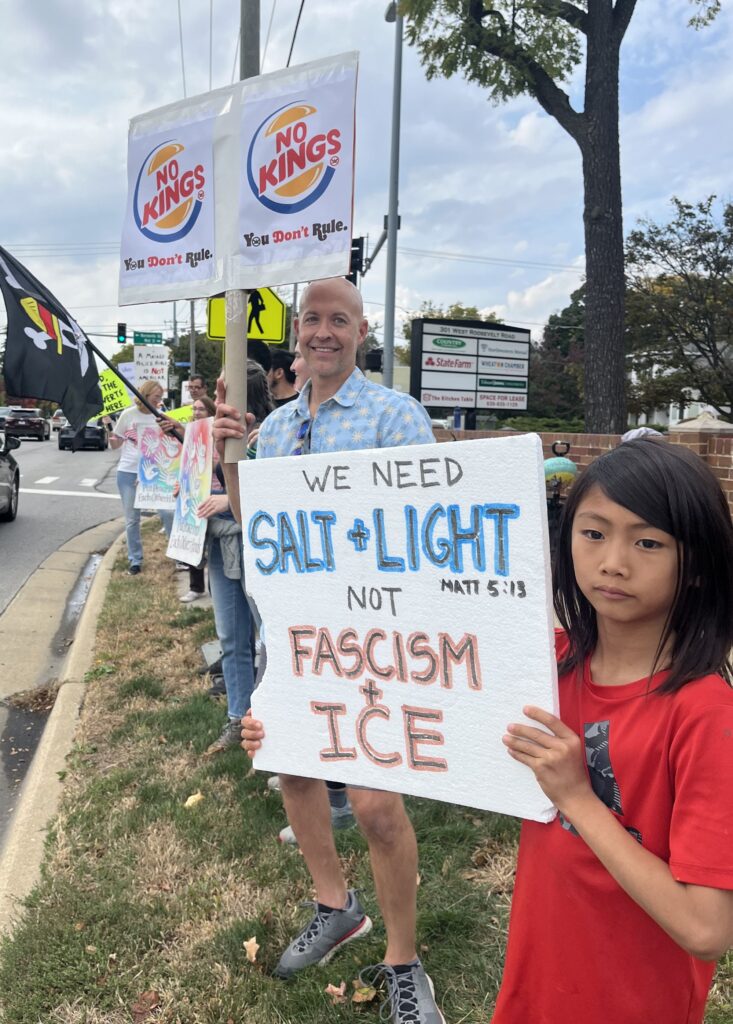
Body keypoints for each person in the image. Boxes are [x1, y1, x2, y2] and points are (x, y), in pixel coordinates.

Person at [215, 278, 445, 1024]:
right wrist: (231, 459)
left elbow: (426, 522)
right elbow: (258, 525)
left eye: (337, 320)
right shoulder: (277, 430)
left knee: (376, 806)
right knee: (293, 767)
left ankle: (404, 962)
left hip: (372, 638)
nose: (322, 331)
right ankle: (334, 905)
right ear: (298, 333)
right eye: (311, 319)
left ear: (360, 332)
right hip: (295, 632)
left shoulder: (393, 414)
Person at [496, 438, 733, 1024]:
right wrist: (304, 720)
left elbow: (706, 929)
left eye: (647, 542)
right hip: (538, 976)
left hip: (634, 1001)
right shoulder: (543, 665)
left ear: (698, 566)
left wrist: (577, 797)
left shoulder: (704, 712)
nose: (613, 562)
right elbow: (431, 705)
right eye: (593, 532)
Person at [202, 360, 272, 757]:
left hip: (256, 549)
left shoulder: (273, 433)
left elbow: (272, 494)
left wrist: (228, 500)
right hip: (219, 544)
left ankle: (270, 724)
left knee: (268, 642)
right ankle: (237, 719)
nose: (215, 401)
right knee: (232, 639)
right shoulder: (215, 433)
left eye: (221, 393)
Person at [110, 380, 178, 575]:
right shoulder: (128, 415)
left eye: (160, 397)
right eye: (156, 397)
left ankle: (178, 557)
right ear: (145, 395)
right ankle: (135, 560)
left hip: (155, 474)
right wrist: (110, 433)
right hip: (128, 472)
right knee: (132, 519)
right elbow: (116, 443)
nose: (159, 401)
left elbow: (171, 444)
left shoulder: (161, 417)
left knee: (167, 513)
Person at [180, 394, 217, 603]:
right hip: (194, 492)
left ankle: (215, 588)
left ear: (210, 411)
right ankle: (196, 587)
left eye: (200, 409)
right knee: (194, 541)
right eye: (194, 409)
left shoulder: (215, 432)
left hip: (213, 492)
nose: (196, 413)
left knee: (212, 545)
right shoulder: (191, 434)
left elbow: (217, 464)